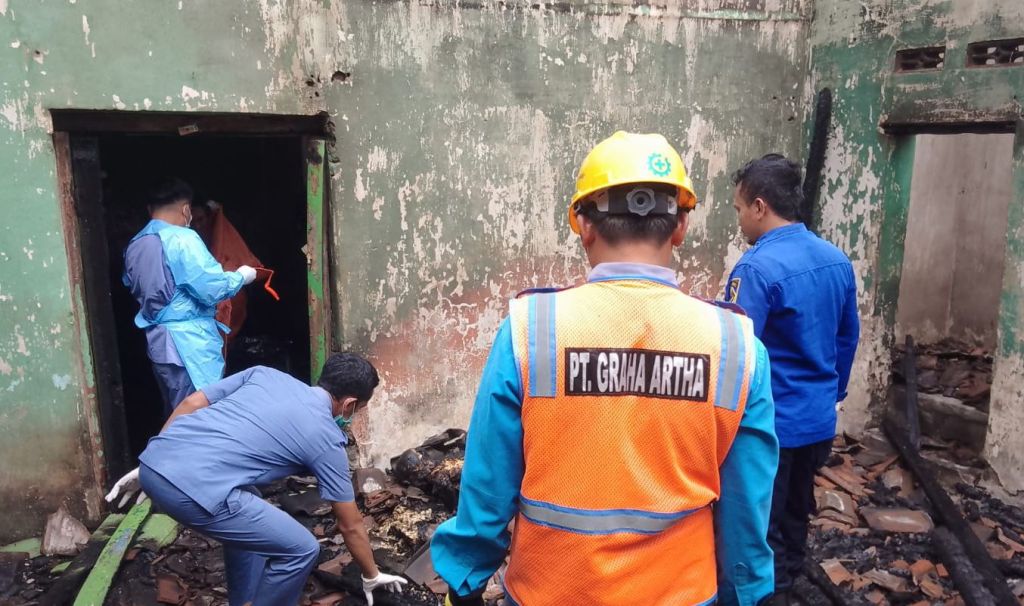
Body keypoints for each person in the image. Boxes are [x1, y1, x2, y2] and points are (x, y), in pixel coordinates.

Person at [430, 131, 779, 606]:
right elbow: (745, 508)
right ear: (680, 227)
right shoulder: (736, 346)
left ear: (583, 225)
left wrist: (465, 580)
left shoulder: (531, 330)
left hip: (549, 593)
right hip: (680, 594)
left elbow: (488, 485)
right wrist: (745, 592)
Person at [104, 352, 408, 606]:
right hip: (188, 491)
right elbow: (350, 524)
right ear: (349, 404)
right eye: (359, 410)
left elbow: (191, 404)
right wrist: (371, 574)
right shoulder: (327, 438)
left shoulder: (265, 375)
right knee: (302, 549)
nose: (354, 416)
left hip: (153, 464)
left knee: (252, 502)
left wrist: (157, 458)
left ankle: (244, 600)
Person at [724, 154, 860, 604]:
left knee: (759, 524)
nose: (740, 220)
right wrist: (831, 396)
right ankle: (791, 581)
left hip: (771, 429)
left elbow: (738, 353)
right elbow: (846, 339)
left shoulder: (756, 270)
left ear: (760, 206)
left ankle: (769, 594)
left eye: (740, 209)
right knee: (797, 512)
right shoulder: (836, 260)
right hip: (817, 421)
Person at [122, 178, 257, 416]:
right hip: (190, 345)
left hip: (159, 342)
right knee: (200, 414)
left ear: (150, 209)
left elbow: (131, 283)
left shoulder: (135, 245)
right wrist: (240, 277)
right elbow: (212, 288)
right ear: (186, 210)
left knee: (176, 411)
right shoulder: (183, 238)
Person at [190, 199, 264, 349]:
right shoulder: (184, 244)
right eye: (192, 222)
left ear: (208, 218)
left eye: (200, 219)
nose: (197, 226)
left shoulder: (222, 242)